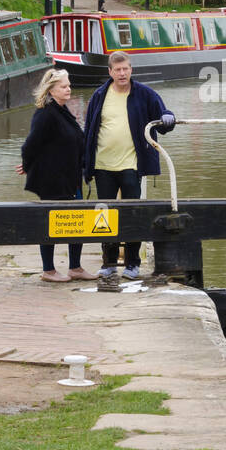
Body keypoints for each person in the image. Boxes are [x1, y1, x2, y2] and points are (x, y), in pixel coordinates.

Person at [83, 52, 176, 280]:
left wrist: (168, 117)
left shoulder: (144, 94)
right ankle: (109, 263)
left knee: (132, 213)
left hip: (131, 164)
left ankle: (133, 263)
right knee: (104, 216)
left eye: (125, 69)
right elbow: (88, 130)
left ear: (131, 69)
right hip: (103, 164)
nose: (122, 73)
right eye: (117, 70)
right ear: (110, 72)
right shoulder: (99, 95)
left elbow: (163, 116)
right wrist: (85, 163)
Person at [19, 69, 93, 283]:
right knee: (51, 224)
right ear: (51, 90)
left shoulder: (63, 111)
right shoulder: (45, 113)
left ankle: (75, 267)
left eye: (69, 85)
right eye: (63, 86)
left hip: (71, 179)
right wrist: (27, 165)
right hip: (53, 181)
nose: (68, 88)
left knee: (78, 222)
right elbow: (30, 145)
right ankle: (48, 270)